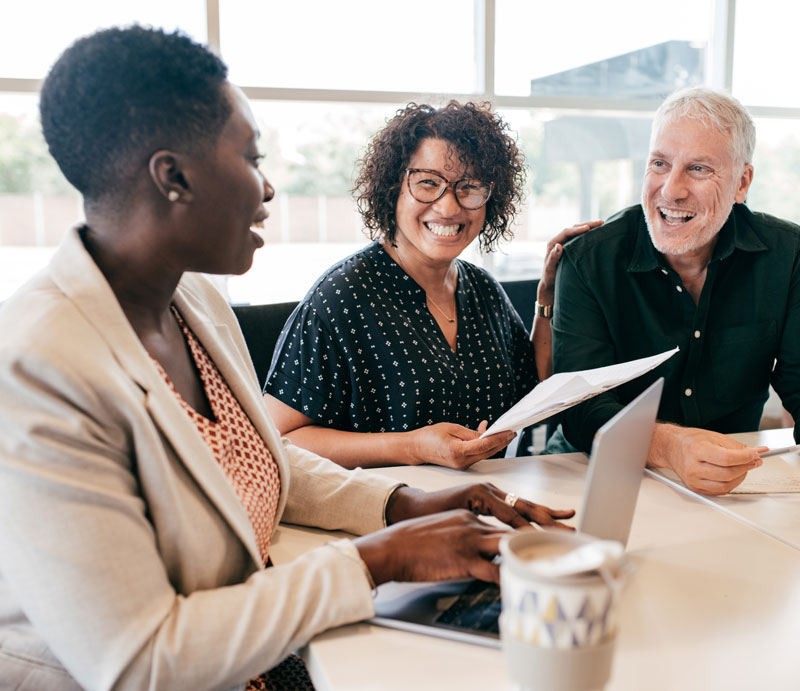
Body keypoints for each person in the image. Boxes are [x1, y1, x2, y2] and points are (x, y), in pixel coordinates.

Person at [0, 26, 575, 690]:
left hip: (262, 653)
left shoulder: (193, 301)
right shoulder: (37, 363)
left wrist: (406, 504)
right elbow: (140, 659)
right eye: (250, 156)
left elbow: (257, 459)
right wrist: (375, 559)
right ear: (174, 176)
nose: (268, 187)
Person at [264, 101, 596, 469]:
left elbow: (535, 388)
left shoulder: (482, 290)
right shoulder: (341, 297)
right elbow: (280, 438)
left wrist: (548, 297)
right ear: (393, 189)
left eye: (469, 187)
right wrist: (412, 447)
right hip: (385, 513)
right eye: (428, 183)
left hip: (485, 504)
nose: (449, 207)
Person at [552, 86, 800, 496]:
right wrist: (670, 446)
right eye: (659, 164)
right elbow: (582, 410)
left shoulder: (788, 255)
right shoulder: (587, 262)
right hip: (596, 474)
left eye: (699, 169)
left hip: (731, 485)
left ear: (742, 182)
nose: (671, 189)